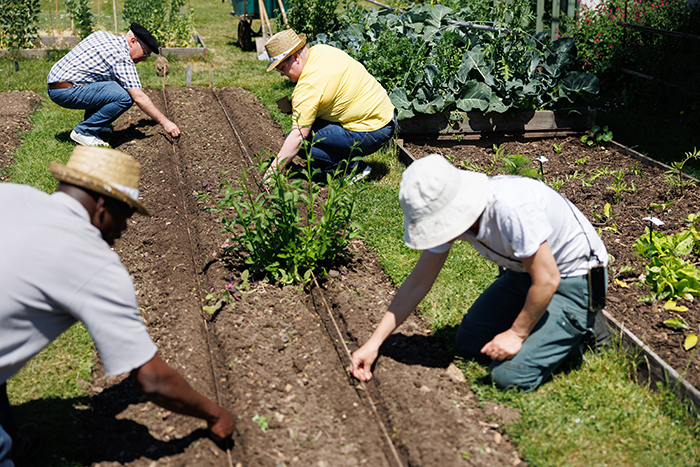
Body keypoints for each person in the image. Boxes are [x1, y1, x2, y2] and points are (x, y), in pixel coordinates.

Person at [0, 147, 233, 465]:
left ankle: (11, 439)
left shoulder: (13, 195)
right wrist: (215, 414)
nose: (125, 229)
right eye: (127, 213)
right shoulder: (91, 260)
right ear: (102, 205)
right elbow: (154, 380)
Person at [349, 154, 611, 392]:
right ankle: (545, 320)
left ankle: (582, 324)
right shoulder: (455, 216)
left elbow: (548, 279)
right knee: (470, 342)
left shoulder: (512, 209)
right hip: (524, 274)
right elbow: (418, 282)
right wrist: (374, 343)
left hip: (573, 278)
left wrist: (516, 334)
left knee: (509, 376)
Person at [264, 28, 397, 180]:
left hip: (371, 131)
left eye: (281, 68)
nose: (282, 73)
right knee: (311, 128)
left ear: (295, 58)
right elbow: (326, 94)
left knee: (300, 142)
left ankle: (352, 169)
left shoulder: (307, 88)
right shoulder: (322, 51)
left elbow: (298, 136)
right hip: (387, 117)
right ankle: (335, 164)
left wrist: (272, 172)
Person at [47, 23, 181, 148]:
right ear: (133, 42)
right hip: (65, 91)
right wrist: (165, 122)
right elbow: (139, 96)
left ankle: (95, 124)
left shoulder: (103, 35)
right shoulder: (121, 56)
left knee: (115, 84)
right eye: (145, 53)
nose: (145, 58)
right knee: (125, 97)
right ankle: (84, 131)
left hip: (55, 83)